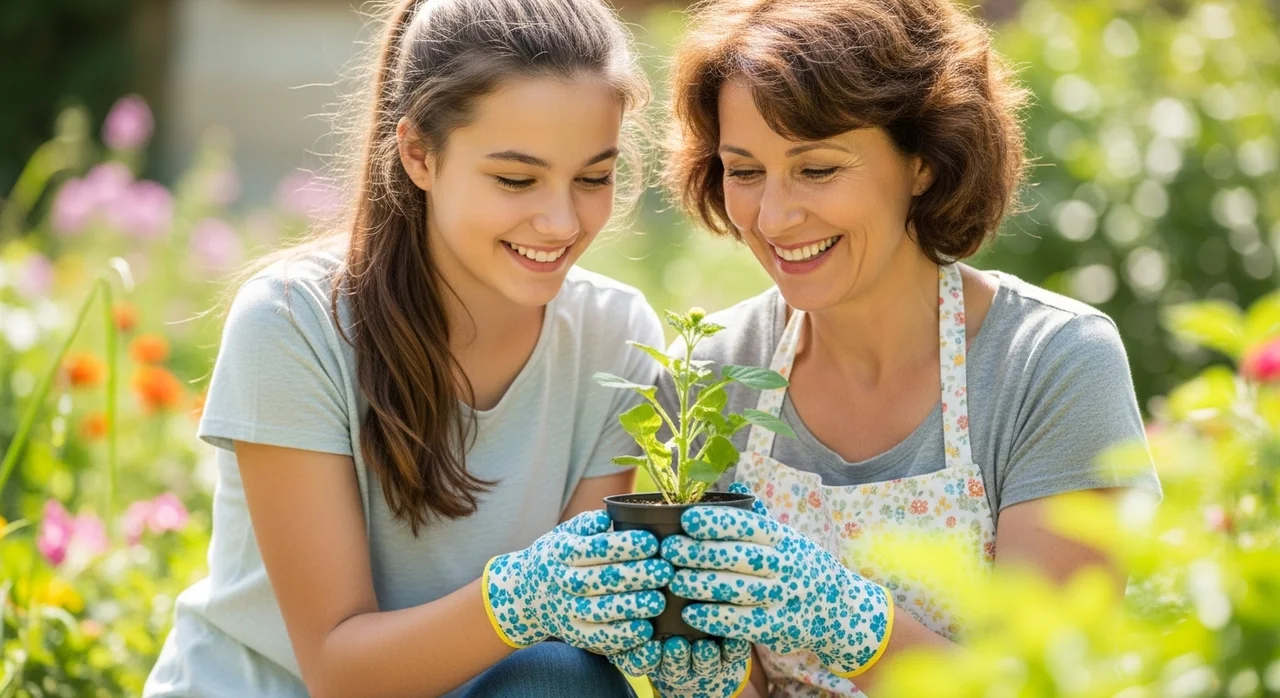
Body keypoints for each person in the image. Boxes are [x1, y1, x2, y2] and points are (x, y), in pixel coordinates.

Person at [623, 0, 1163, 695]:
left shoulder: (1051, 364)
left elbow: (1044, 682)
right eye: (745, 171)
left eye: (816, 169)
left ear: (923, 162)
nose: (775, 216)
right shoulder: (711, 376)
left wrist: (853, 623)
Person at [142, 1, 672, 695]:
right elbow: (339, 671)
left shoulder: (616, 339)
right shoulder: (294, 323)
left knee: (564, 678)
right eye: (516, 179)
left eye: (594, 177)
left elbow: (569, 644)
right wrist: (524, 593)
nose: (561, 220)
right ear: (419, 154)